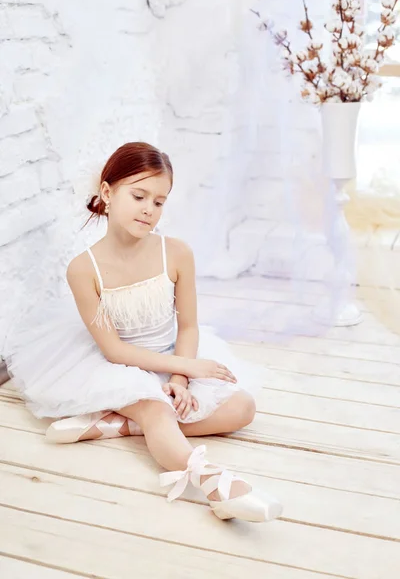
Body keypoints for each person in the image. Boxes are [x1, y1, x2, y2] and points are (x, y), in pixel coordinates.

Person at [7, 142, 282, 523]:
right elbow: (115, 351)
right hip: (119, 363)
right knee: (156, 408)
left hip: (172, 355)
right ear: (107, 192)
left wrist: (182, 377)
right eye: (139, 195)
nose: (149, 209)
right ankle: (212, 482)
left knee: (242, 407)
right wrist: (180, 370)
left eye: (159, 201)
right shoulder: (83, 270)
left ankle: (119, 425)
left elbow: (187, 325)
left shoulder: (177, 253)